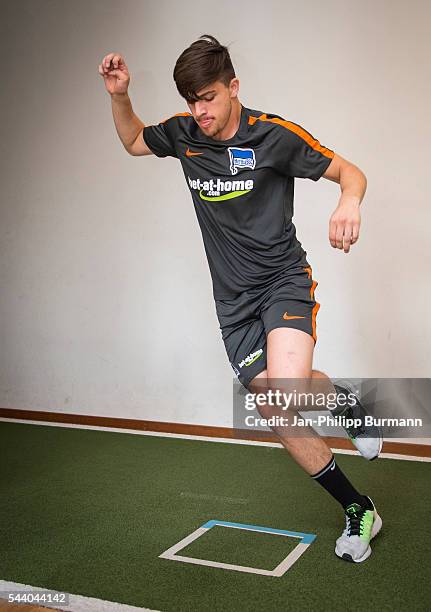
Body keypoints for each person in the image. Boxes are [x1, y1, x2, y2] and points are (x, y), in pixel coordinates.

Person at [98, 34, 382, 563]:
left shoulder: (273, 135)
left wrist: (349, 202)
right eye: (190, 100)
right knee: (277, 407)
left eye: (207, 97)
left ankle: (340, 403)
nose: (198, 111)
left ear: (233, 87)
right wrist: (120, 95)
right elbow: (135, 140)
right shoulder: (185, 136)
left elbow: (350, 171)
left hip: (282, 282)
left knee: (290, 389)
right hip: (233, 306)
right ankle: (358, 506)